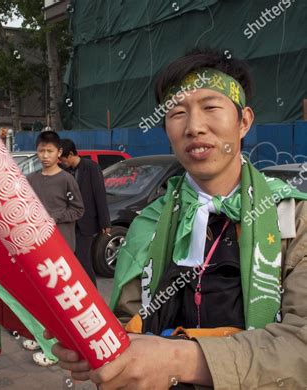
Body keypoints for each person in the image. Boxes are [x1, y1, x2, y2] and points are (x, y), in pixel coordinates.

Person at [49, 48, 307, 388]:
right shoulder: (149, 223)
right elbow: (129, 321)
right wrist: (99, 348)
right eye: (177, 112)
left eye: (211, 107)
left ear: (244, 121)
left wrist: (179, 360)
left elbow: (300, 343)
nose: (194, 127)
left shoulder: (293, 216)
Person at [25, 131, 85, 367]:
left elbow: (78, 210)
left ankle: (56, 349)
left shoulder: (67, 180)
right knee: (39, 297)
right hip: (35, 247)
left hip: (61, 249)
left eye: (50, 151)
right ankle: (40, 336)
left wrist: (53, 217)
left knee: (59, 299)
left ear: (59, 153)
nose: (45, 156)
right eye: (41, 151)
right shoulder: (31, 179)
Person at [60, 139, 111, 286]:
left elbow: (99, 195)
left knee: (83, 259)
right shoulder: (65, 171)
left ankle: (92, 292)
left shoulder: (91, 168)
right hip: (70, 223)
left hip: (87, 222)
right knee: (72, 259)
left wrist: (105, 222)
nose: (62, 162)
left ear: (70, 154)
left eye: (63, 159)